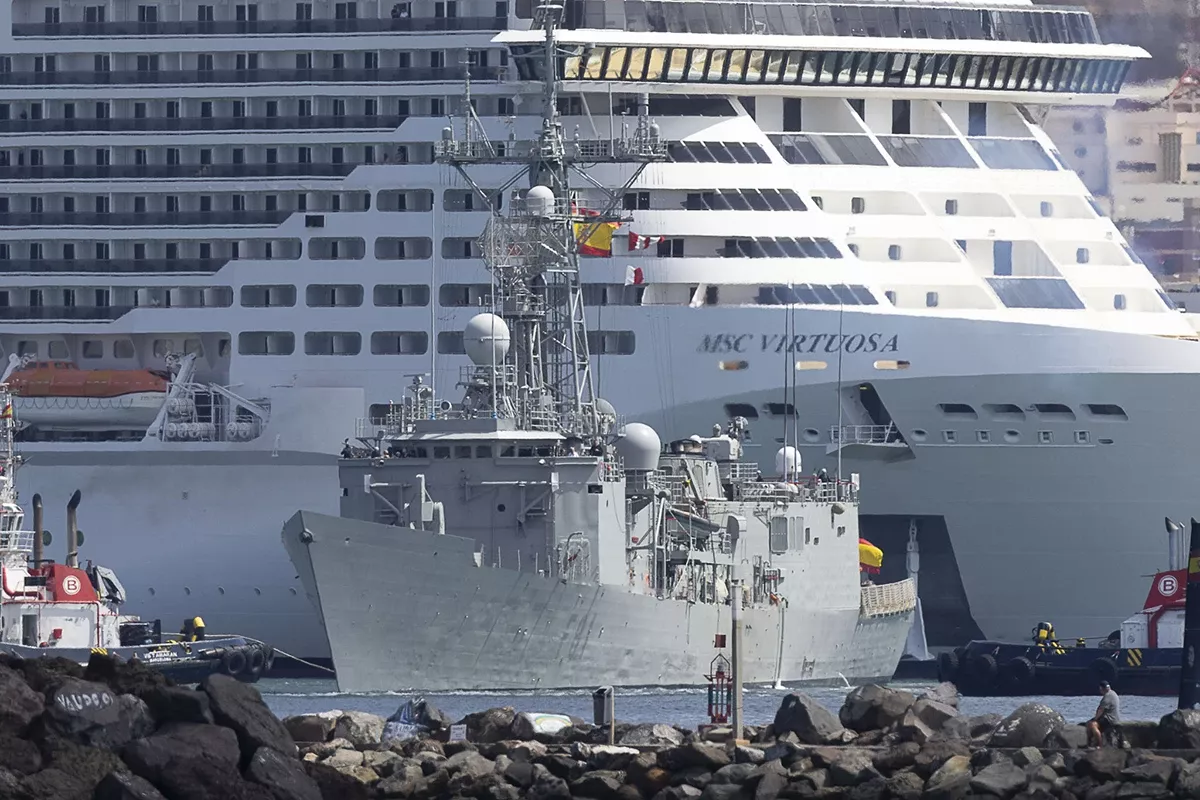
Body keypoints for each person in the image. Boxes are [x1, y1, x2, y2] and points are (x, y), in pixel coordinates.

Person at [1087, 681, 1120, 747]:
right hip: (1114, 718)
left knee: (1092, 724)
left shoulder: (1108, 696)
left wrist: (1095, 719)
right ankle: (1090, 743)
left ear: (1101, 688)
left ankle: (1099, 745)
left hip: (1109, 719)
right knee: (1090, 723)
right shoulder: (1113, 693)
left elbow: (1101, 710)